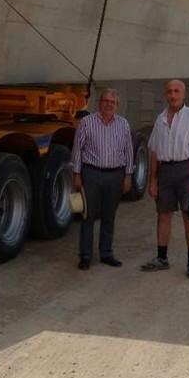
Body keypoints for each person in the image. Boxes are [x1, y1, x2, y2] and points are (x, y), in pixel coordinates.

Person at [141, 79, 189, 279]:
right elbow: (154, 151)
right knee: (163, 215)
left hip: (188, 170)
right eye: (169, 91)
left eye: (177, 91)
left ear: (184, 94)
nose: (173, 95)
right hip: (165, 172)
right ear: (165, 95)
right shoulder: (160, 119)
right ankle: (162, 258)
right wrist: (152, 180)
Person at [71, 89, 134, 270]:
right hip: (91, 173)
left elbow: (129, 152)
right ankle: (85, 256)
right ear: (99, 103)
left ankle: (106, 253)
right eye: (105, 101)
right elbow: (77, 150)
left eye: (112, 102)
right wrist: (77, 174)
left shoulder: (123, 124)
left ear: (117, 106)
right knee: (87, 215)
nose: (108, 105)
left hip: (115, 175)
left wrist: (128, 176)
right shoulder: (86, 122)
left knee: (109, 215)